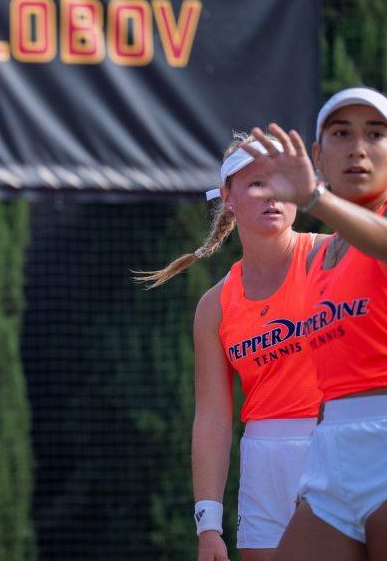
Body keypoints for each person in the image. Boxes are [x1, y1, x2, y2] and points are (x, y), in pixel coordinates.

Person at [239, 87, 387, 560]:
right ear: (318, 155)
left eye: (375, 134)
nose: (358, 147)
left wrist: (315, 197)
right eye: (342, 133)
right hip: (333, 463)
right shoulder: (320, 258)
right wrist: (319, 463)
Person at [137, 133, 323, 561]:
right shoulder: (215, 306)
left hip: (333, 449)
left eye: (282, 181)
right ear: (228, 197)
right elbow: (213, 419)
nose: (272, 195)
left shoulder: (329, 258)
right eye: (256, 183)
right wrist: (208, 525)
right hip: (262, 462)